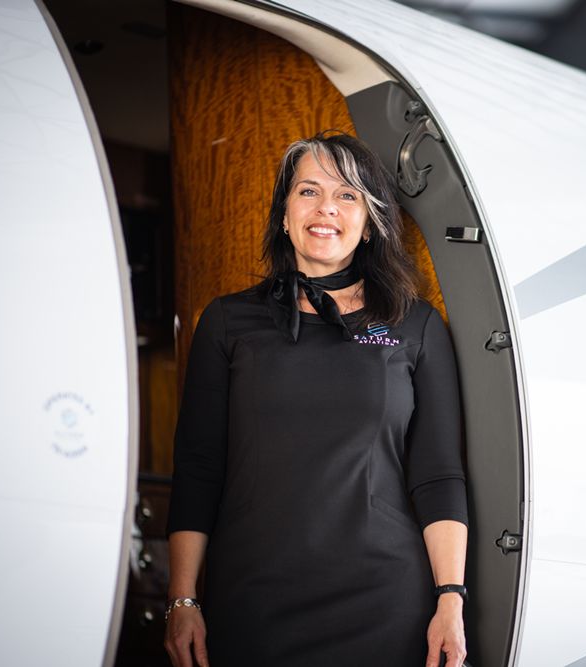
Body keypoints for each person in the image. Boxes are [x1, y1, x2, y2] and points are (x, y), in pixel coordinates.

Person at [164, 131, 469, 667]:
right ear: (284, 214)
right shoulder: (228, 322)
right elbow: (198, 468)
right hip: (254, 600)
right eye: (308, 191)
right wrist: (182, 598)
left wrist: (450, 600)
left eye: (348, 195)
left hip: (384, 601)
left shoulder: (415, 326)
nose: (326, 207)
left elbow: (438, 474)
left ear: (371, 222)